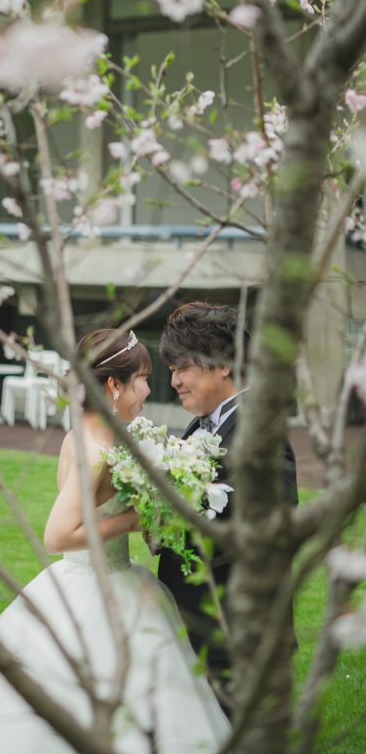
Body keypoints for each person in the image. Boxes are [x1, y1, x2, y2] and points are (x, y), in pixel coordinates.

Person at [0, 329, 230, 754]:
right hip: (97, 588)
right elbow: (58, 535)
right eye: (143, 379)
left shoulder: (92, 432)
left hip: (108, 580)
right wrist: (137, 519)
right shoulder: (96, 447)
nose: (150, 389)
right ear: (114, 385)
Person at [157, 301, 299, 703]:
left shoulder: (261, 435)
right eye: (171, 371)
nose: (175, 381)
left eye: (182, 368)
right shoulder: (199, 427)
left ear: (222, 363)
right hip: (197, 632)